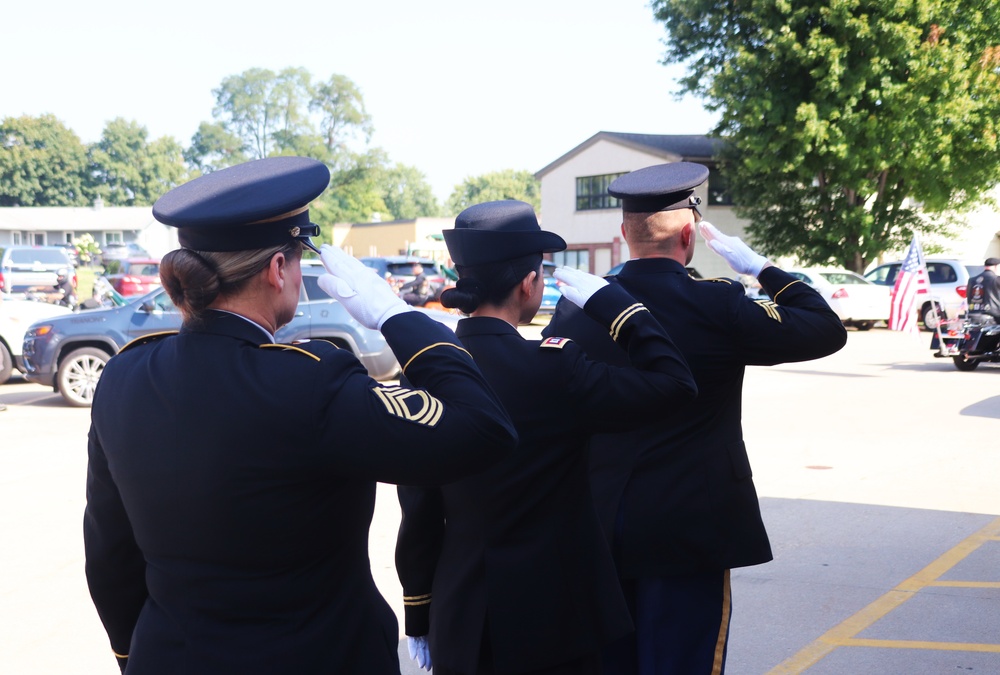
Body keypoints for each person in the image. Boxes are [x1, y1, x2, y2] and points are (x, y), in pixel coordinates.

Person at [83, 156, 519, 674]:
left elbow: (109, 552)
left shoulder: (123, 377)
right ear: (276, 270)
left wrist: (135, 656)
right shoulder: (313, 381)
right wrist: (396, 317)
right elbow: (483, 429)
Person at [544, 162, 847, 674]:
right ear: (690, 233)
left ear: (624, 234)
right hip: (691, 523)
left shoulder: (577, 310)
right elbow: (824, 329)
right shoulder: (717, 303)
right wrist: (763, 269)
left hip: (600, 522)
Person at [394, 200, 698, 675]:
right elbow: (676, 386)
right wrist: (619, 310)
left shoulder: (426, 373)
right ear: (529, 283)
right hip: (558, 616)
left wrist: (418, 610)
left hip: (465, 614)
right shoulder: (556, 368)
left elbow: (419, 509)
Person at [966, 257, 1000, 323]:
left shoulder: (972, 280)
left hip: (973, 315)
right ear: (997, 266)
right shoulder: (996, 279)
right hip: (993, 317)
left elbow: (968, 297)